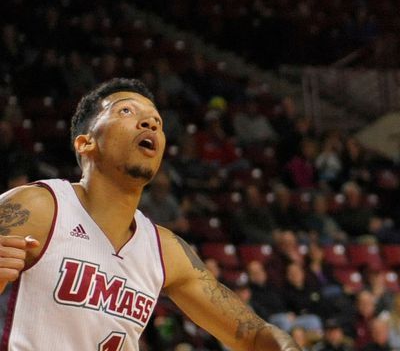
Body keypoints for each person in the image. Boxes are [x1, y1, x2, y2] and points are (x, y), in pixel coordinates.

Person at [0, 78, 299, 350]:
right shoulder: (37, 207)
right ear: (85, 142)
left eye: (157, 121)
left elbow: (253, 335)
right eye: (127, 112)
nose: (150, 124)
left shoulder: (165, 251)